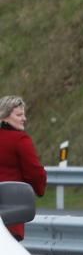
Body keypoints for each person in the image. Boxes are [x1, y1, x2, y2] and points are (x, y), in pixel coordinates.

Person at [0, 96, 47, 241]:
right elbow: (35, 173)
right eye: (19, 115)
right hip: (10, 214)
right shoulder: (20, 140)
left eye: (24, 114)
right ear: (4, 116)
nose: (24, 118)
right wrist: (40, 188)